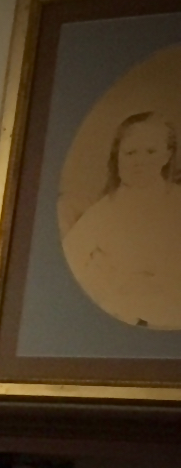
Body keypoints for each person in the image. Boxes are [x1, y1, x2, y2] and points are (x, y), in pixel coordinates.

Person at [61, 109, 181, 329]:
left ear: (167, 155)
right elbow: (72, 259)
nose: (140, 161)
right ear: (117, 156)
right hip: (124, 311)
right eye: (130, 153)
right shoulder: (104, 211)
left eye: (151, 151)